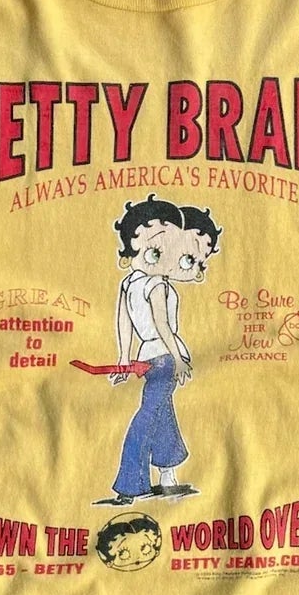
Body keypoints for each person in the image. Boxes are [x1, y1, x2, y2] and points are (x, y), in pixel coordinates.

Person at [103, 193, 222, 504]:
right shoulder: (146, 284)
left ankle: (142, 482)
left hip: (161, 358)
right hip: (160, 357)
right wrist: (125, 360)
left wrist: (171, 359)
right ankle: (153, 478)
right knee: (156, 415)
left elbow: (148, 324)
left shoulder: (143, 283)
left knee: (150, 416)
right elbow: (139, 324)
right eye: (156, 252)